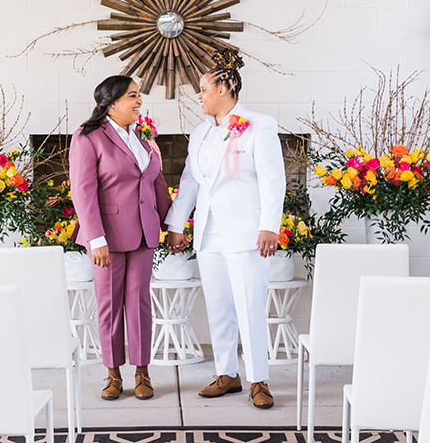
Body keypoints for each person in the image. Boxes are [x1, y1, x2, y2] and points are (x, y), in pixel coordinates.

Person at [164, 49, 286, 409]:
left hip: (247, 231)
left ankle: (259, 380)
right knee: (218, 303)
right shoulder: (200, 132)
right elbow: (191, 182)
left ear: (225, 88)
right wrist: (176, 223)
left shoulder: (258, 125)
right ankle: (227, 373)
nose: (198, 96)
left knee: (249, 303)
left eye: (203, 89)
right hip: (209, 231)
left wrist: (269, 226)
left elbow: (272, 179)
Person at [69, 75, 173, 401]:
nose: (139, 101)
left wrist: (172, 226)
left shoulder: (142, 141)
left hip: (143, 233)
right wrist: (95, 239)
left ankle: (142, 372)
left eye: (138, 95)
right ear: (112, 103)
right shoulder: (88, 138)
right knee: (110, 306)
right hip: (107, 238)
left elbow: (154, 184)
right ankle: (113, 374)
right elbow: (83, 191)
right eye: (133, 95)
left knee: (140, 304)